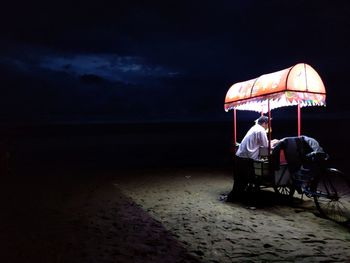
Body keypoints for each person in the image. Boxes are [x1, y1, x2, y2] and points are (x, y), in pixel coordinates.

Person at [227, 115, 275, 202]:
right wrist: (274, 142)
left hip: (240, 156)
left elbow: (260, 143)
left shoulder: (254, 127)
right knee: (247, 179)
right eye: (268, 124)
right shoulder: (261, 130)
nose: (268, 126)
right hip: (247, 158)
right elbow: (265, 145)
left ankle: (234, 197)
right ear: (265, 123)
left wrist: (270, 142)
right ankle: (245, 199)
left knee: (239, 180)